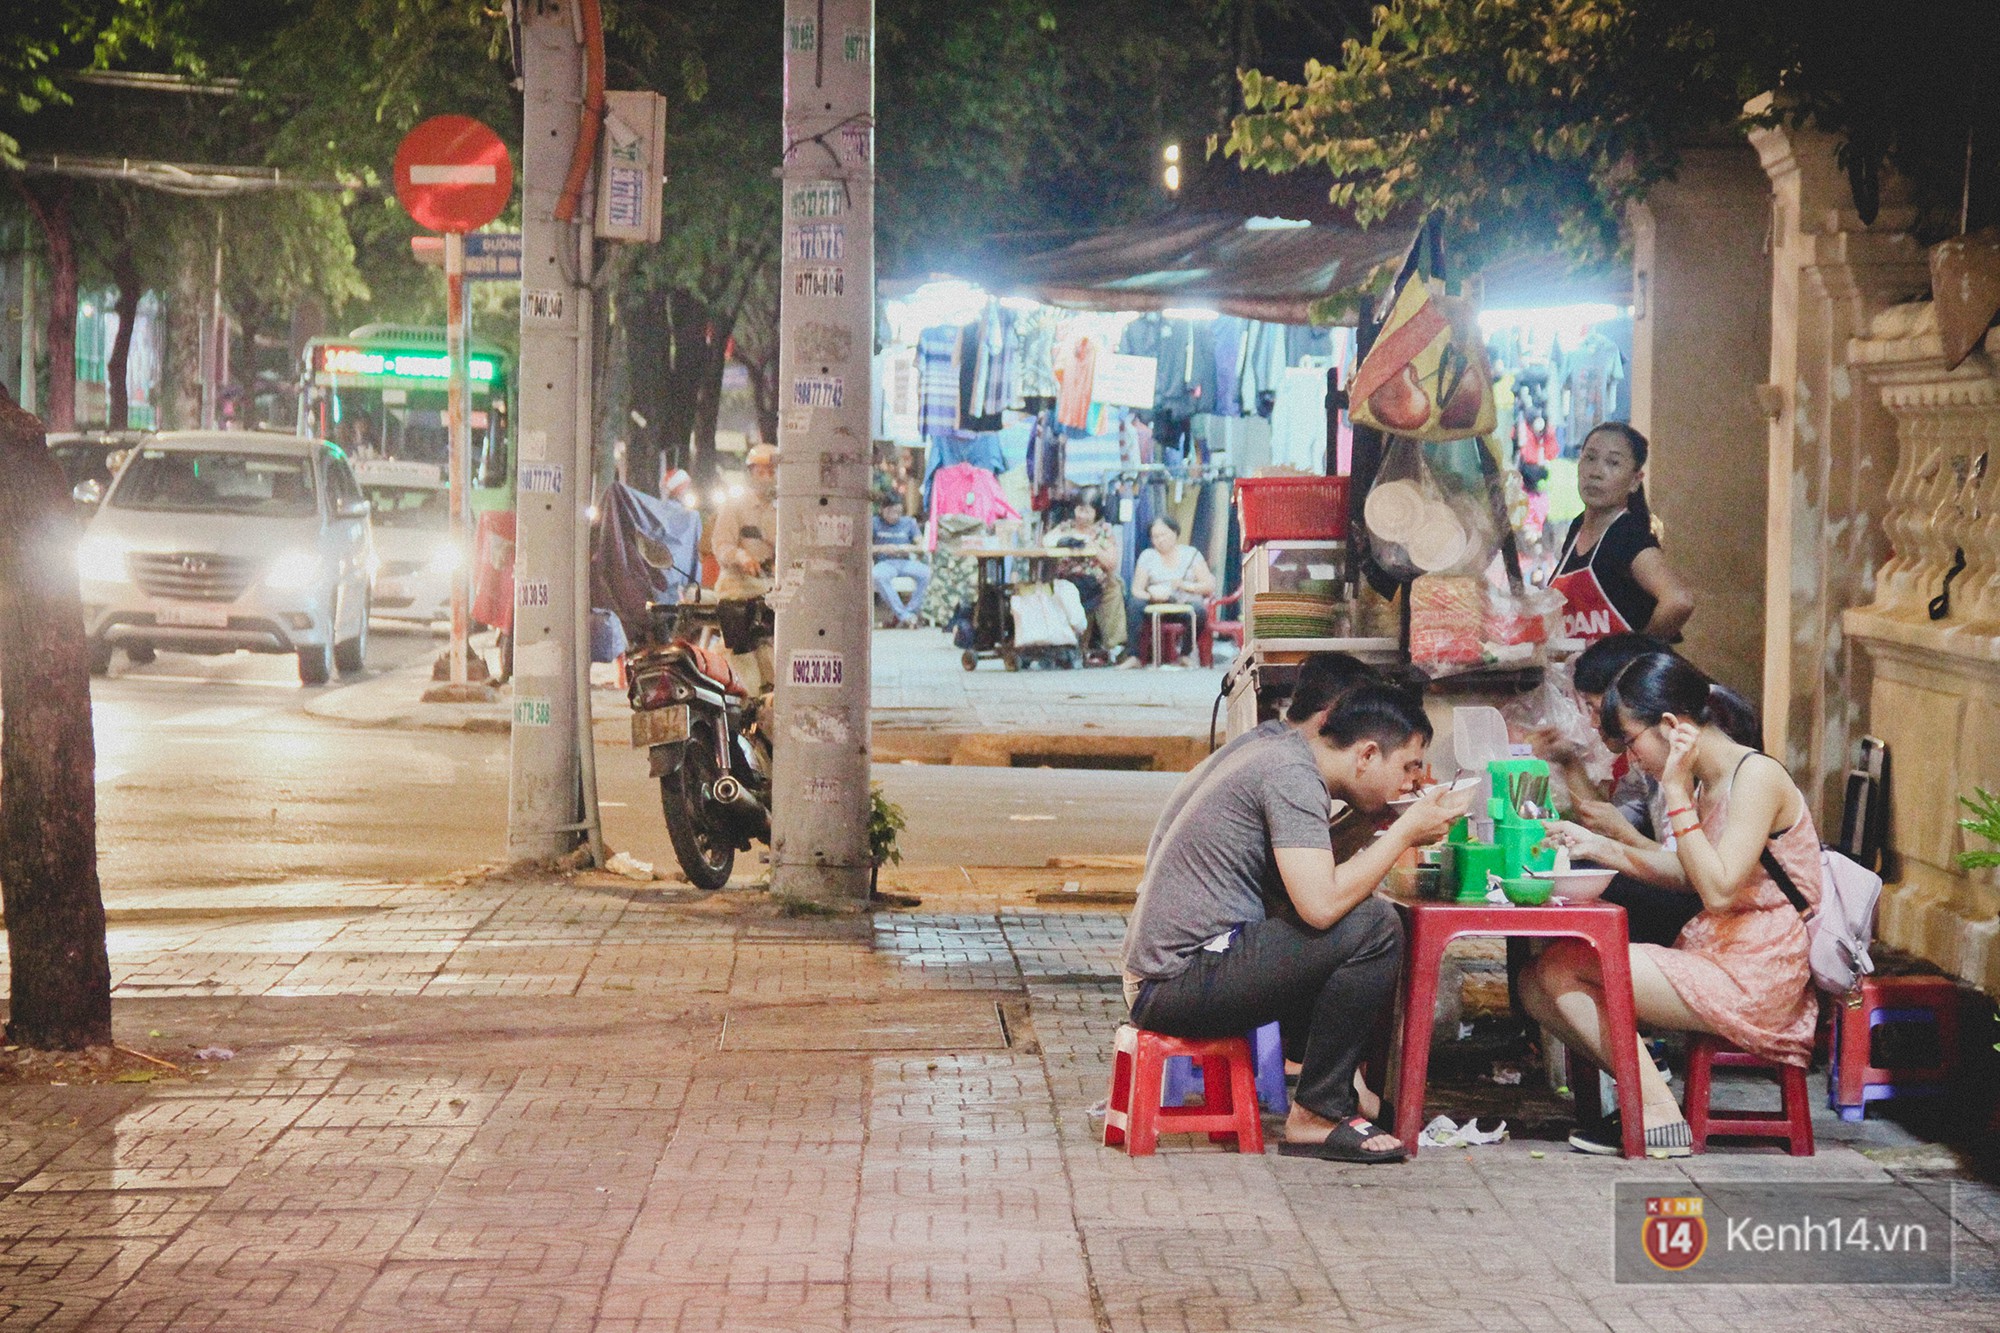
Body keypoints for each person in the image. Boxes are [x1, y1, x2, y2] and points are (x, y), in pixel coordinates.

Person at [1121, 684, 1471, 1162]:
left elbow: (1304, 876)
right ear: (1367, 754)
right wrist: (1406, 830)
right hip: (1176, 982)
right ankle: (1316, 1116)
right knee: (1373, 924)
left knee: (1353, 923)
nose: (1415, 781)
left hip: (1184, 971)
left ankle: (1347, 1097)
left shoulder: (1286, 757)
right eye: (1409, 766)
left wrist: (1378, 822)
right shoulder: (1292, 777)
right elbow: (1319, 904)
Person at [1529, 654, 1822, 1157]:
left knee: (1563, 967)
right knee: (1534, 983)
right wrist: (1597, 846)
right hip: (1718, 952)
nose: (1630, 757)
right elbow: (1691, 874)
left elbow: (1719, 890)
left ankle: (1659, 1113)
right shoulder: (1711, 780)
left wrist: (1675, 793)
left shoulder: (1756, 777)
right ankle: (1647, 1097)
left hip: (1759, 972)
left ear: (1670, 726)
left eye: (1631, 741)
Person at [1550, 423, 1694, 644]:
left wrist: (1635, 651)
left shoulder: (1627, 534)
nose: (1596, 472)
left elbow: (1678, 600)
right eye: (1590, 458)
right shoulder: (1578, 527)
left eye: (1613, 463)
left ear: (1635, 481)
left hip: (1617, 676)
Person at [711, 444, 779, 690]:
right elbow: (721, 545)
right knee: (742, 659)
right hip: (738, 588)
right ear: (750, 473)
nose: (766, 477)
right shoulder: (735, 506)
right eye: (759, 472)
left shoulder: (782, 509)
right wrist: (741, 557)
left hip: (771, 588)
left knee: (772, 659)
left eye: (771, 471)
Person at [1045, 491, 1126, 663]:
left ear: (1096, 512)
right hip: (1068, 579)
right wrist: (1065, 540)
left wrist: (1093, 546)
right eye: (1080, 510)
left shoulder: (1103, 531)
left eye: (1088, 511)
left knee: (1113, 586)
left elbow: (1111, 563)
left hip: (1095, 580)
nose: (1082, 515)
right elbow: (1046, 543)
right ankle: (1064, 646)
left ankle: (1115, 646)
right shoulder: (1065, 528)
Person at [1124, 516, 1216, 666]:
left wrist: (1185, 586)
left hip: (1183, 604)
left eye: (1163, 535)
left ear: (1174, 533)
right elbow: (1136, 589)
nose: (1160, 540)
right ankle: (1134, 656)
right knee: (1134, 604)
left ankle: (1185, 654)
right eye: (1155, 537)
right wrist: (1151, 596)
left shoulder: (1191, 554)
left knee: (1200, 611)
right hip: (1155, 605)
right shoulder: (1148, 556)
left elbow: (1208, 585)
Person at [870, 498, 930, 627]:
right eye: (891, 512)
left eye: (898, 512)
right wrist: (881, 549)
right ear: (882, 510)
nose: (895, 516)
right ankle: (904, 616)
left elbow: (921, 545)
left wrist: (908, 548)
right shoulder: (874, 523)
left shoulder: (909, 522)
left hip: (905, 561)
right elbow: (864, 548)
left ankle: (908, 612)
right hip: (884, 562)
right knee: (877, 576)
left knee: (926, 573)